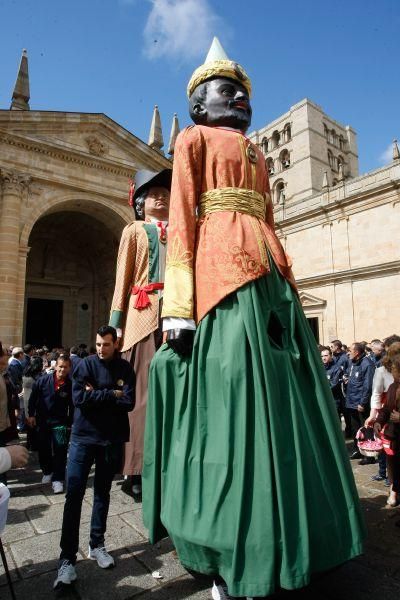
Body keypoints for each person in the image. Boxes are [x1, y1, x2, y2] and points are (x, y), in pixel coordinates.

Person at [143, 37, 365, 599]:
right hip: (220, 270)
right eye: (226, 90)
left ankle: (300, 528)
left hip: (269, 269)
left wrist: (285, 270)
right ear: (198, 103)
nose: (239, 98)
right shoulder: (193, 139)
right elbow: (186, 218)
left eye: (244, 93)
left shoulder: (259, 152)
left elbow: (268, 212)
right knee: (236, 382)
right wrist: (179, 308)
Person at [53, 325, 135, 590]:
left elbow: (130, 402)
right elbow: (79, 399)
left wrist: (95, 394)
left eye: (106, 345)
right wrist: (111, 393)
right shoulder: (84, 365)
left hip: (110, 441)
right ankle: (67, 559)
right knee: (73, 494)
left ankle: (96, 544)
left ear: (115, 344)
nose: (101, 349)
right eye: (98, 344)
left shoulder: (125, 369)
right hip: (82, 439)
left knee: (102, 492)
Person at [110, 168, 171, 500]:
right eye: (152, 194)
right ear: (140, 203)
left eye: (165, 193)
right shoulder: (133, 231)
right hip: (142, 316)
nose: (160, 198)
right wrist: (115, 323)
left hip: (177, 313)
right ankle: (134, 470)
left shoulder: (181, 232)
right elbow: (122, 277)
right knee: (141, 398)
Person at [27, 355, 73, 493]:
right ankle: (47, 471)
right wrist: (31, 414)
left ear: (69, 368)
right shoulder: (42, 381)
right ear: (55, 366)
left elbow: (73, 406)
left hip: (61, 423)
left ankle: (58, 479)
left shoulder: (70, 385)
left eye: (65, 367)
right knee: (43, 448)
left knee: (60, 450)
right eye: (60, 366)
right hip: (43, 421)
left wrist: (71, 423)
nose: (62, 369)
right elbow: (32, 398)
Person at [374, 354, 400, 507]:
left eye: (394, 370)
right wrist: (378, 421)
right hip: (395, 437)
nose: (391, 373)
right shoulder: (393, 386)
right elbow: (386, 409)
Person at [346, 342, 376, 464]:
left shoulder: (367, 364)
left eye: (350, 350)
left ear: (357, 352)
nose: (348, 353)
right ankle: (358, 450)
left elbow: (367, 386)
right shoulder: (352, 363)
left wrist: (362, 403)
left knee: (366, 429)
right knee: (355, 428)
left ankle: (369, 455)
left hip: (360, 404)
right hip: (351, 401)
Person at [22, 356, 44, 451]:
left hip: (26, 398)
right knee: (35, 423)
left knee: (29, 422)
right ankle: (34, 444)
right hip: (34, 399)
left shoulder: (26, 372)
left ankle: (29, 443)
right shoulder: (37, 376)